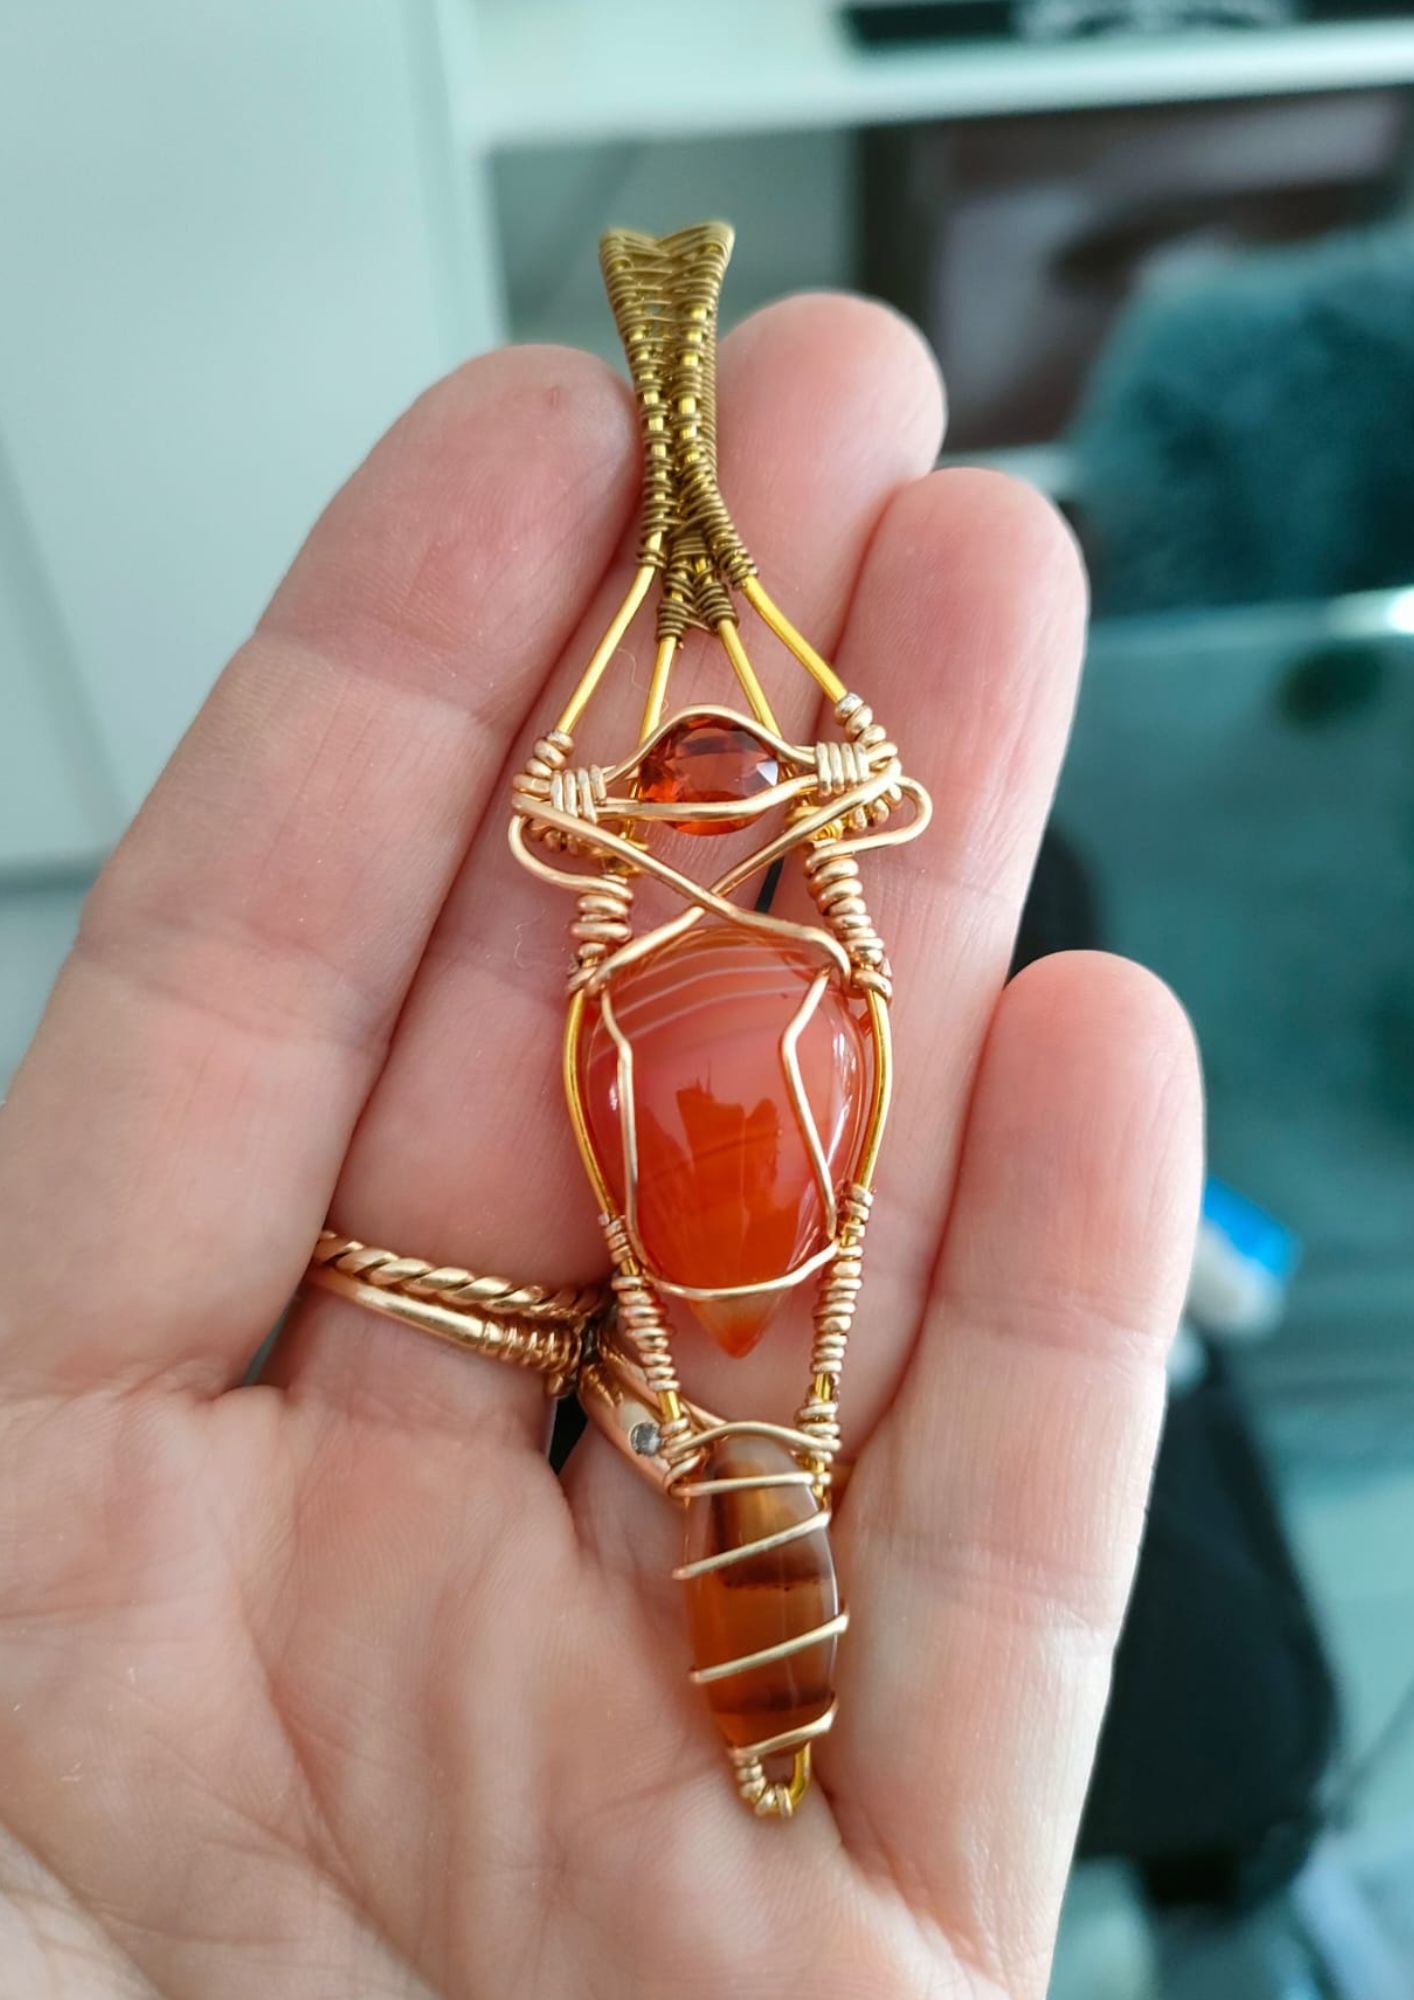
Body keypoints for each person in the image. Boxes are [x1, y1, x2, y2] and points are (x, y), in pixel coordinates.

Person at [0, 294, 1201, 1998]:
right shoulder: (708, 967)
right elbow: (823, 853)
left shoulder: (715, 962)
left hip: (726, 1113)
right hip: (714, 1101)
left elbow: (812, 873)